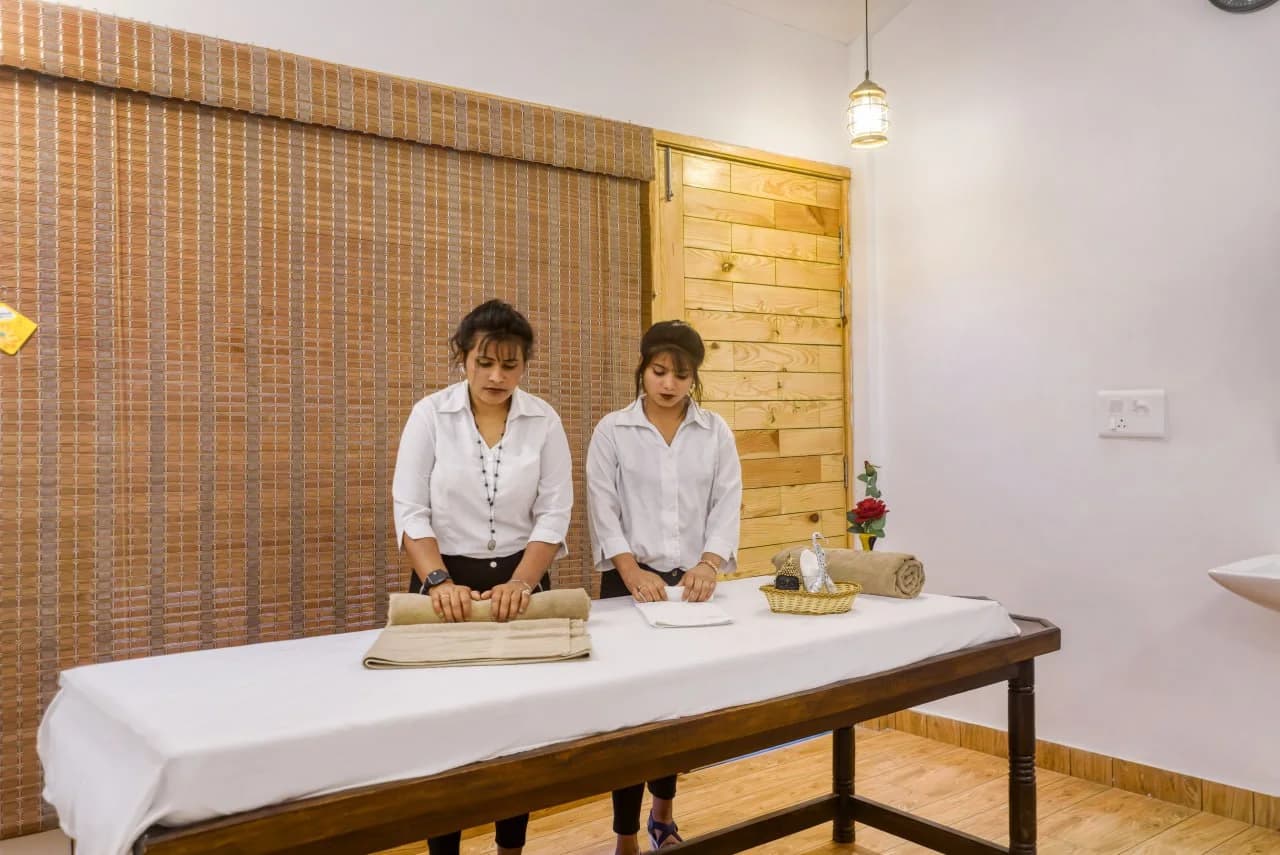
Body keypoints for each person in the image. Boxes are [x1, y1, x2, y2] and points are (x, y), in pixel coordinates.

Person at [391, 298, 573, 855]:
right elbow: (410, 509)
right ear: (463, 359)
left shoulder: (543, 420)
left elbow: (554, 511)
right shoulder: (430, 415)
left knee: (517, 729)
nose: (497, 376)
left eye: (510, 365)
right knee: (443, 731)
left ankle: (510, 848)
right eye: (484, 362)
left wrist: (522, 583)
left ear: (525, 365)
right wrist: (438, 582)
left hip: (521, 586)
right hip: (444, 585)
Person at [585, 319, 743, 852]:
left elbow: (727, 500)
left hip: (692, 589)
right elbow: (603, 507)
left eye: (681, 374)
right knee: (628, 717)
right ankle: (625, 836)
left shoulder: (714, 431)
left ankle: (663, 817)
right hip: (628, 586)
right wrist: (630, 570)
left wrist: (710, 563)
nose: (669, 384)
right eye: (659, 372)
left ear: (694, 377)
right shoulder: (613, 430)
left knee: (676, 712)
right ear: (643, 369)